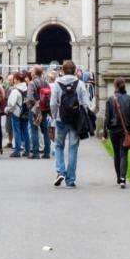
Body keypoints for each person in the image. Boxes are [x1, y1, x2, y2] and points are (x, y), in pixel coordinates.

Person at [50, 58, 92, 189]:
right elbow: (86, 104)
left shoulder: (57, 83)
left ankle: (60, 171)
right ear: (74, 71)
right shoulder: (79, 84)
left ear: (63, 70)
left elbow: (52, 103)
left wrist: (54, 115)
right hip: (75, 121)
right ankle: (71, 179)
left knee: (59, 146)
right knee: (73, 149)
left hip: (60, 119)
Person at [104, 76, 130, 188]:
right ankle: (123, 178)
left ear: (115, 86)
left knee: (116, 154)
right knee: (124, 154)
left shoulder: (110, 99)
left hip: (113, 130)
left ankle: (119, 177)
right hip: (126, 130)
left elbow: (107, 118)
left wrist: (104, 134)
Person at [6, 73, 27, 157]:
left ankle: (17, 150)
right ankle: (27, 150)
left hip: (16, 113)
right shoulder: (26, 88)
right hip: (25, 112)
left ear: (17, 80)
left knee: (17, 131)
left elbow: (11, 104)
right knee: (25, 132)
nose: (13, 81)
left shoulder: (15, 90)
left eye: (14, 79)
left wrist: (7, 109)